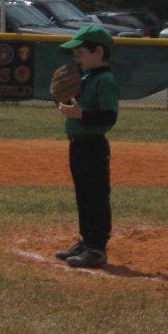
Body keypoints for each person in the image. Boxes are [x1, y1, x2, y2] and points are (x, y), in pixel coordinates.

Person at [55, 25, 120, 268]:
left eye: (80, 52)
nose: (76, 56)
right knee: (83, 194)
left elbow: (108, 118)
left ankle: (98, 248)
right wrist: (65, 103)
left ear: (98, 52)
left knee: (96, 196)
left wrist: (80, 113)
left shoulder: (106, 81)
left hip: (94, 146)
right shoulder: (84, 78)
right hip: (77, 146)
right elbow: (75, 105)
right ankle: (86, 240)